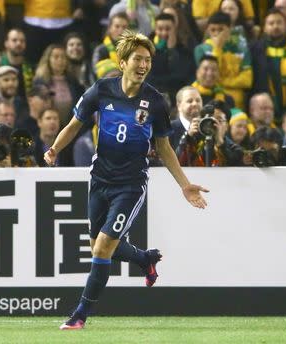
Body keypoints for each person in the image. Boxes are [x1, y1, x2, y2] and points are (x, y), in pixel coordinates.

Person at [43, 30, 208, 330]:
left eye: (147, 60)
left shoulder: (155, 102)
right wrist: (54, 148)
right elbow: (74, 124)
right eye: (137, 59)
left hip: (131, 184)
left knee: (104, 246)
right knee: (99, 246)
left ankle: (80, 315)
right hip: (100, 179)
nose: (143, 65)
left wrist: (184, 184)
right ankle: (145, 258)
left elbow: (164, 147)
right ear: (122, 63)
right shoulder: (101, 90)